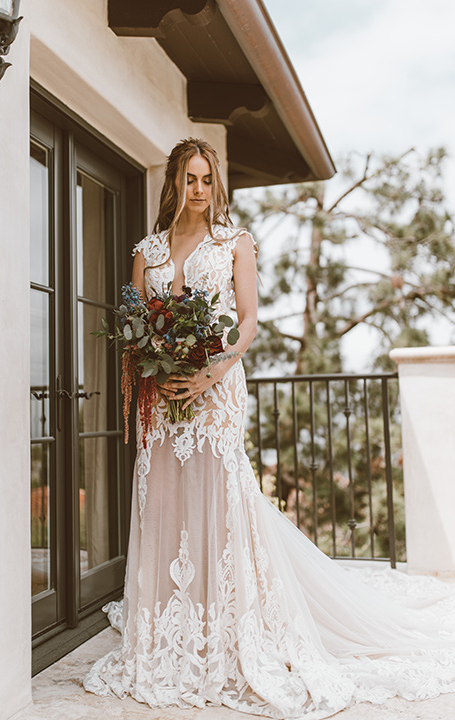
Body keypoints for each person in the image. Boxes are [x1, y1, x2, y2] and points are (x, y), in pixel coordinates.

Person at [84, 138, 455, 718]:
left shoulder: (236, 242)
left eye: (207, 179)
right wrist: (157, 365)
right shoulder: (148, 249)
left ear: (217, 185)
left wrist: (211, 371)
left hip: (217, 387)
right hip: (162, 394)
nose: (199, 189)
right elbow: (135, 324)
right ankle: (168, 626)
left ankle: (228, 623)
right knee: (164, 499)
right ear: (173, 184)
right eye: (189, 179)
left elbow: (250, 319)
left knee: (220, 498)